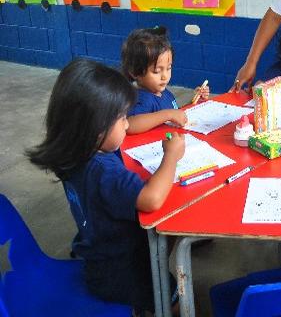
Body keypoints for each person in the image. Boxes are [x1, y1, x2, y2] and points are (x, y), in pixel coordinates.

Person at [26, 58, 185, 314]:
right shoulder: (102, 171)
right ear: (94, 127)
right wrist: (172, 156)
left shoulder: (73, 153)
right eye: (121, 118)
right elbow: (151, 199)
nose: (126, 124)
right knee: (173, 291)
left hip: (97, 250)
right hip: (121, 270)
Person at [121, 26, 209, 134]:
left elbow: (175, 112)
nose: (165, 76)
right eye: (157, 71)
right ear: (134, 72)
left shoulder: (163, 92)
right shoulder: (142, 99)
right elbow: (130, 125)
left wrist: (195, 99)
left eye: (168, 68)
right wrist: (168, 114)